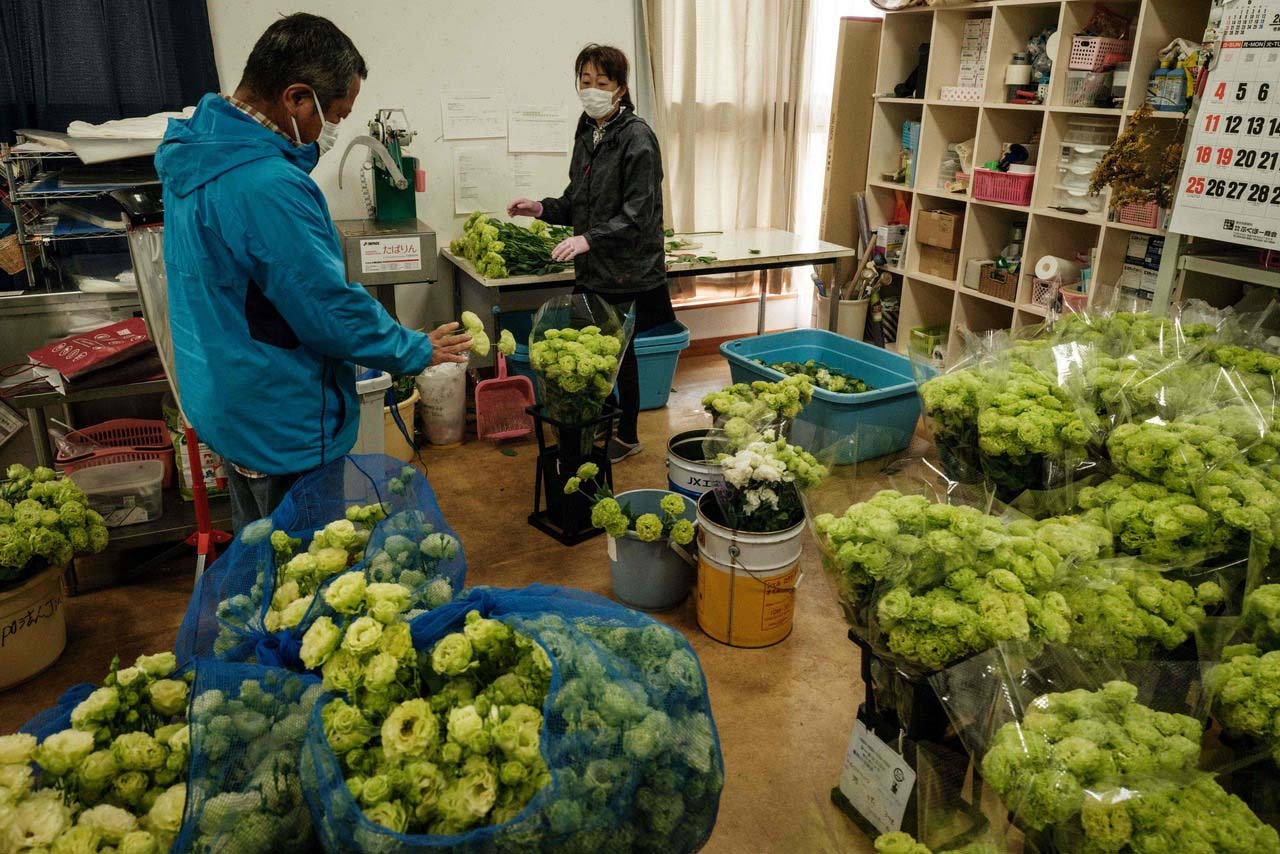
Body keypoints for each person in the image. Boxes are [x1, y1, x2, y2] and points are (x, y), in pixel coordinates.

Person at [156, 13, 471, 532]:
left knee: (259, 558)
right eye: (336, 116)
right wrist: (413, 349)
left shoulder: (195, 153)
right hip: (280, 418)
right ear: (297, 99)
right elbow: (328, 308)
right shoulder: (266, 184)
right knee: (306, 576)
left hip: (227, 397)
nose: (334, 130)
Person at [508, 44, 670, 464]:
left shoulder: (637, 138)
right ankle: (599, 417)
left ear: (620, 88)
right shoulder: (587, 131)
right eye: (585, 82)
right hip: (592, 268)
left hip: (627, 270)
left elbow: (639, 215)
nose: (592, 90)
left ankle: (629, 433)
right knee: (589, 350)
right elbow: (576, 201)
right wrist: (542, 209)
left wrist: (588, 239)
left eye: (602, 83)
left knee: (620, 354)